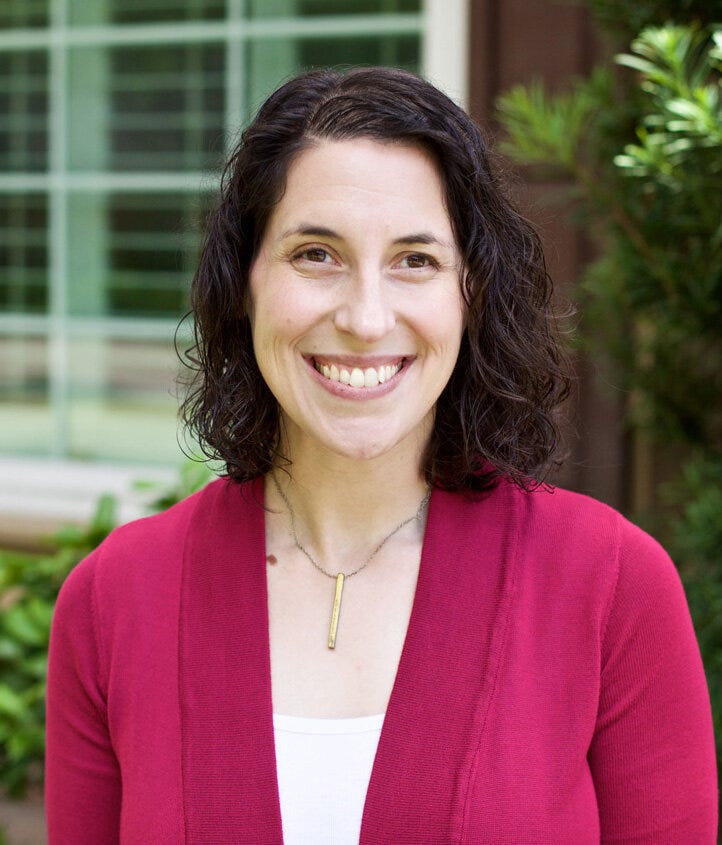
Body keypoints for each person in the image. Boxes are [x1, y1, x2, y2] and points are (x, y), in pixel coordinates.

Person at [45, 67, 717, 844]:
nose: (366, 318)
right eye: (316, 254)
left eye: (415, 260)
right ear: (245, 281)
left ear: (472, 291)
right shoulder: (114, 599)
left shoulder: (611, 586)